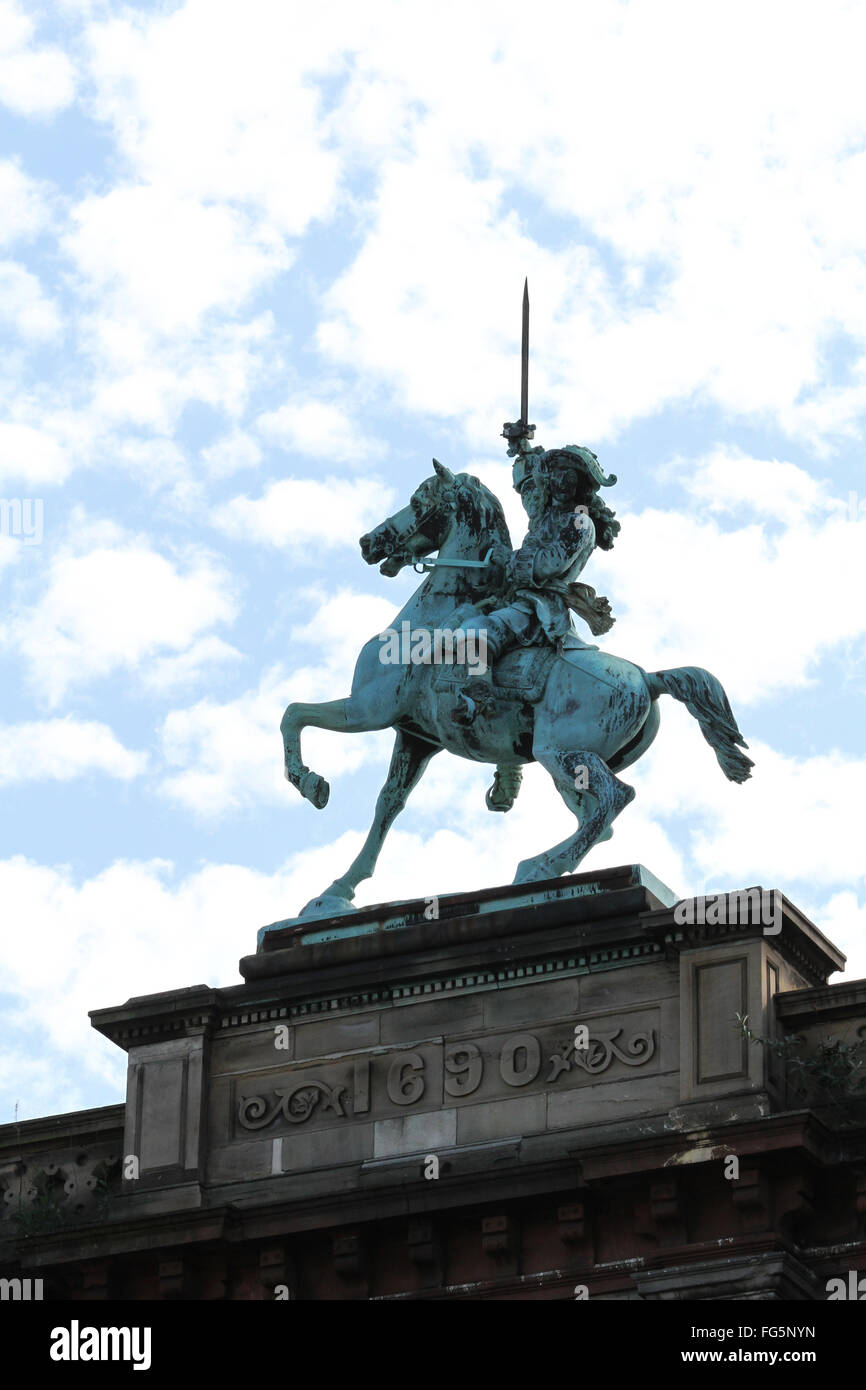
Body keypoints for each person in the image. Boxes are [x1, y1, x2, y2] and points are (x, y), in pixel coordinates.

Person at [451, 445, 620, 727]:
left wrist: (510, 560)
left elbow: (550, 564)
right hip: (520, 599)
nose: (561, 483)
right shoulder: (547, 519)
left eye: (568, 476)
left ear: (580, 483)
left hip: (538, 607)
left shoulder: (580, 521)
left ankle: (480, 695)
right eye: (555, 476)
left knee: (476, 631)